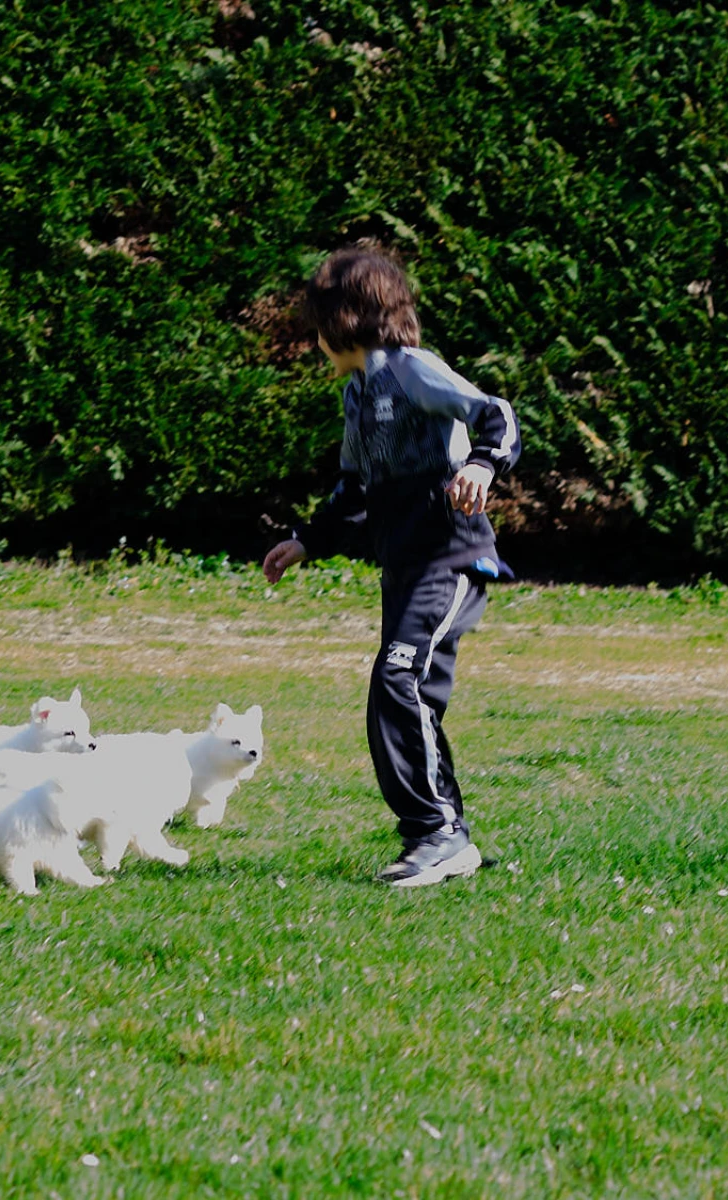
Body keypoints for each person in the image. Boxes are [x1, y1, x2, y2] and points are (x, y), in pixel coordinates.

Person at [263, 246, 520, 887]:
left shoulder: (411, 370)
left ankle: (437, 835)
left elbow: (496, 414)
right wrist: (306, 540)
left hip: (451, 557)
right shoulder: (359, 394)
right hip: (405, 566)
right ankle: (441, 834)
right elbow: (355, 489)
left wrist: (481, 464)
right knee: (408, 695)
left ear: (341, 321)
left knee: (398, 679)